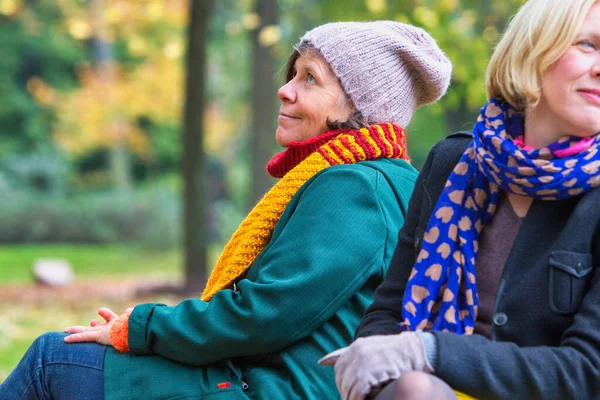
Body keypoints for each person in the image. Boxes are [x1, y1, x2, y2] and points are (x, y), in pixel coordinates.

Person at [0, 21, 452, 400]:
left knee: (51, 360)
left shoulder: (355, 186)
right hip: (281, 378)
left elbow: (262, 315)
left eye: (309, 78)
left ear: (362, 106)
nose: (284, 90)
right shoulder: (386, 179)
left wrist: (139, 328)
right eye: (292, 74)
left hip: (275, 389)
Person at [320, 1, 600, 399]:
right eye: (588, 44)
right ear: (532, 49)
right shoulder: (450, 162)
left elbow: (588, 373)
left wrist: (427, 351)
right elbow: (388, 313)